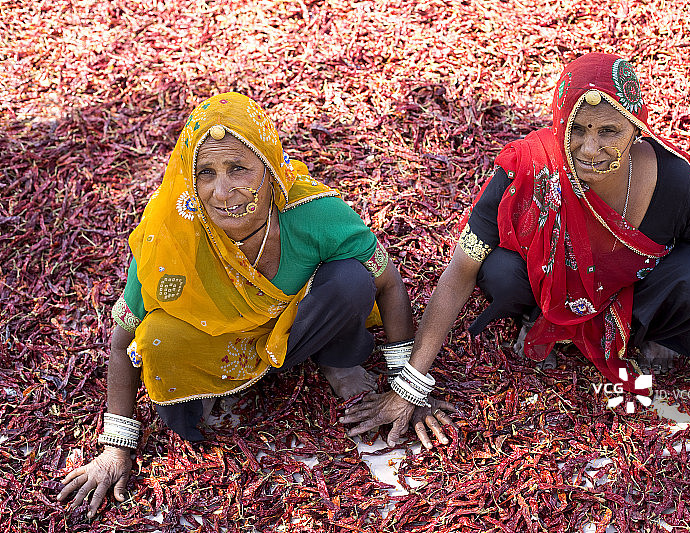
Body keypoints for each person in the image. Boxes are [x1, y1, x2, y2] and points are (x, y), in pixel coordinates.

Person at [341, 52, 690, 446]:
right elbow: (460, 271)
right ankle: (540, 320)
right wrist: (410, 384)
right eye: (576, 129)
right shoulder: (526, 168)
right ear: (559, 124)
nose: (589, 147)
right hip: (548, 287)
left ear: (636, 129)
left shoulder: (676, 182)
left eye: (608, 131)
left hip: (634, 292)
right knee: (496, 269)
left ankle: (656, 336)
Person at [57, 92, 420, 518]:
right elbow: (122, 345)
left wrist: (405, 385)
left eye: (238, 168)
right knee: (155, 336)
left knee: (351, 280)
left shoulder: (314, 214)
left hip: (297, 331)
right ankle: (212, 392)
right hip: (217, 347)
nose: (222, 191)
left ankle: (337, 360)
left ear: (269, 169)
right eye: (205, 172)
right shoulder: (171, 238)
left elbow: (388, 284)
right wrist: (114, 450)